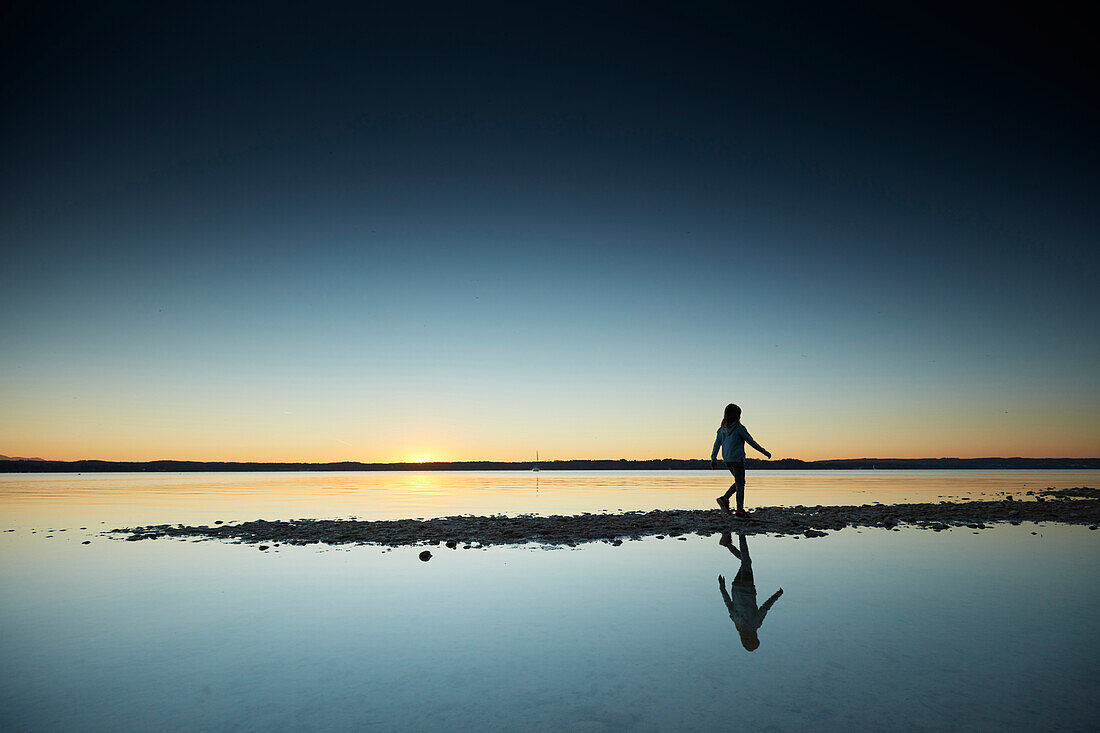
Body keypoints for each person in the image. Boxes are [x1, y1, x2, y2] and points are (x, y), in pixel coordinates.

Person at [718, 532, 783, 652]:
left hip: (747, 587)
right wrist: (722, 587)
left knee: (746, 561)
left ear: (754, 638)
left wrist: (777, 595)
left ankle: (741, 533)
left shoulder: (755, 624)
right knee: (745, 561)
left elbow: (765, 608)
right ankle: (727, 544)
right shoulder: (736, 623)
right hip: (736, 588)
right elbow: (728, 603)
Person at [711, 403, 771, 518]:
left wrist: (713, 459)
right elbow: (751, 442)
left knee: (739, 482)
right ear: (737, 415)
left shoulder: (721, 430)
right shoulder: (739, 428)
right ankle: (738, 510)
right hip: (737, 460)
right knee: (740, 484)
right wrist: (764, 452)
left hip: (727, 460)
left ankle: (725, 499)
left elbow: (716, 445)